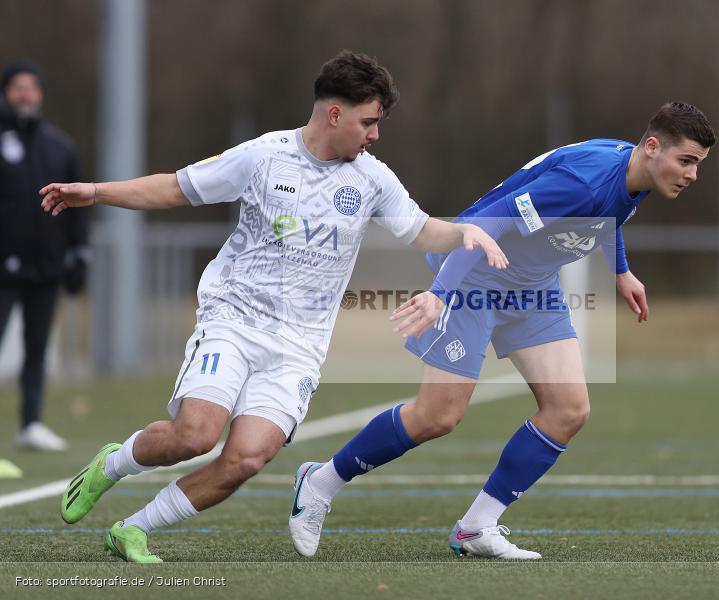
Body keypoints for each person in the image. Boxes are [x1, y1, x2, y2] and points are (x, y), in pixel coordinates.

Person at [40, 50, 507, 563]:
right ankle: (114, 464)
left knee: (246, 458)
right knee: (195, 436)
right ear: (335, 114)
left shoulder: (373, 179)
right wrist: (97, 192)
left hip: (299, 346)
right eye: (368, 122)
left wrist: (464, 230)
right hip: (234, 319)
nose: (374, 135)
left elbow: (421, 230)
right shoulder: (263, 157)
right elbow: (176, 188)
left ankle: (132, 529)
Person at [289, 102, 716, 559]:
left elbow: (606, 219)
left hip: (532, 286)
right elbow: (489, 221)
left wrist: (621, 271)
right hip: (475, 273)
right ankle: (319, 482)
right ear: (651, 147)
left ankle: (476, 527)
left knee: (568, 410)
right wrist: (440, 292)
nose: (691, 174)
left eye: (697, 164)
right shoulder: (583, 184)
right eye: (685, 161)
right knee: (438, 417)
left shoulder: (633, 171)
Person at [0, 60, 88, 452]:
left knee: (36, 351)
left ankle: (31, 424)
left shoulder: (59, 146)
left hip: (46, 269)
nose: (25, 95)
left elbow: (77, 208)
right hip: (3, 269)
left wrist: (78, 255)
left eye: (31, 88)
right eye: (17, 87)